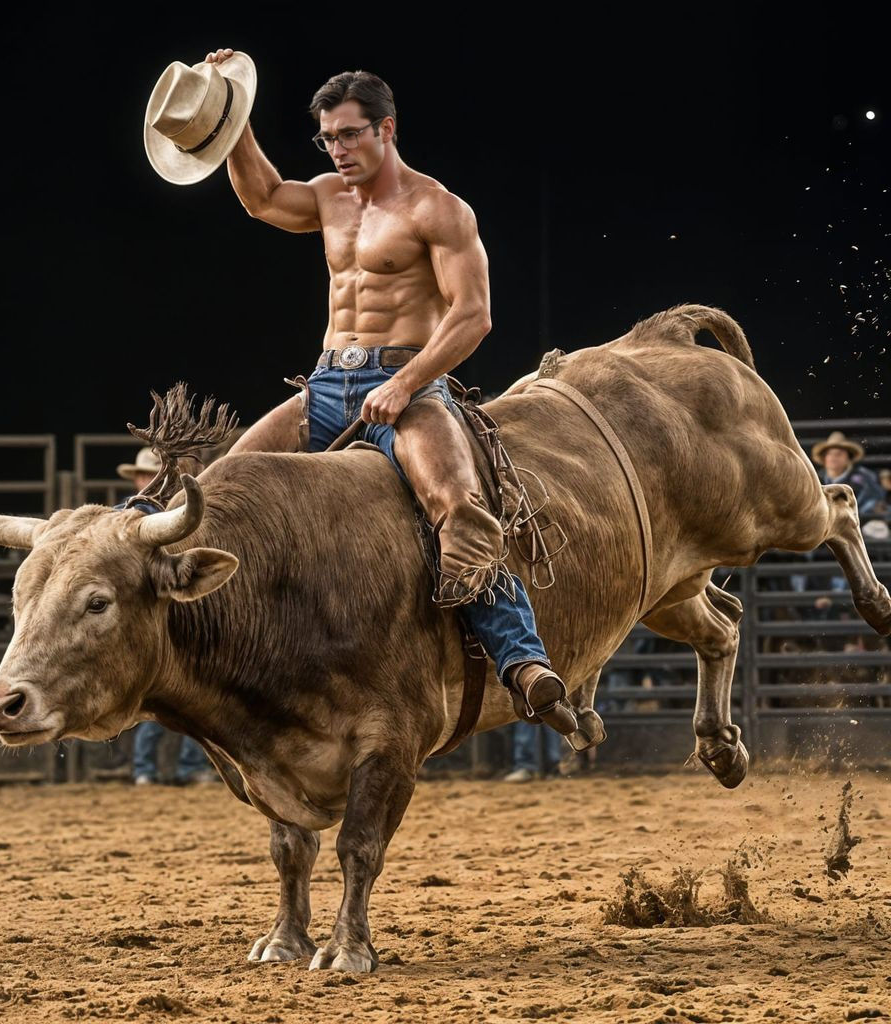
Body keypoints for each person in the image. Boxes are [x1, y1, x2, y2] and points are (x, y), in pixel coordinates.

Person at [143, 50, 576, 736]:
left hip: (411, 384)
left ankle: (524, 665)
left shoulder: (437, 208)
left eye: (348, 134)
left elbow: (473, 314)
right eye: (327, 137)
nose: (337, 149)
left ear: (387, 129)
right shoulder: (327, 196)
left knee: (459, 510)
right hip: (325, 384)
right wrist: (233, 117)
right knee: (222, 490)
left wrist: (406, 384)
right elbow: (261, 198)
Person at [117, 447, 219, 785]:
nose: (149, 480)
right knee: (150, 702)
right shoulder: (124, 519)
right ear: (136, 479)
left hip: (188, 620)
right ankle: (145, 770)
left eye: (155, 473)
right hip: (147, 625)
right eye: (145, 474)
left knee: (196, 701)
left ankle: (189, 767)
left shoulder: (173, 514)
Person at [811, 431, 884, 517]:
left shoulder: (864, 478)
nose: (833, 457)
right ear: (824, 458)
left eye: (839, 454)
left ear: (848, 458)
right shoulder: (815, 479)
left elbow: (874, 500)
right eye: (829, 454)